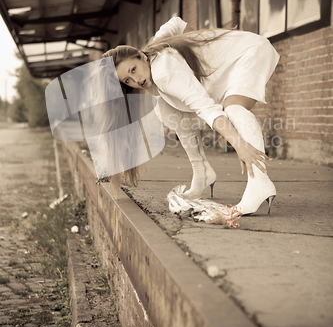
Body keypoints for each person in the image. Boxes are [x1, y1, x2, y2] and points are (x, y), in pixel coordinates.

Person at [102, 17, 280, 217]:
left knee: (234, 109)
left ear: (142, 56)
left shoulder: (163, 71)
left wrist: (240, 145)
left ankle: (260, 183)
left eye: (133, 70)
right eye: (128, 80)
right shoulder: (154, 51)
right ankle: (202, 172)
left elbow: (206, 108)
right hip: (233, 61)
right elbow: (176, 22)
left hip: (251, 52)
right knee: (165, 108)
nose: (136, 80)